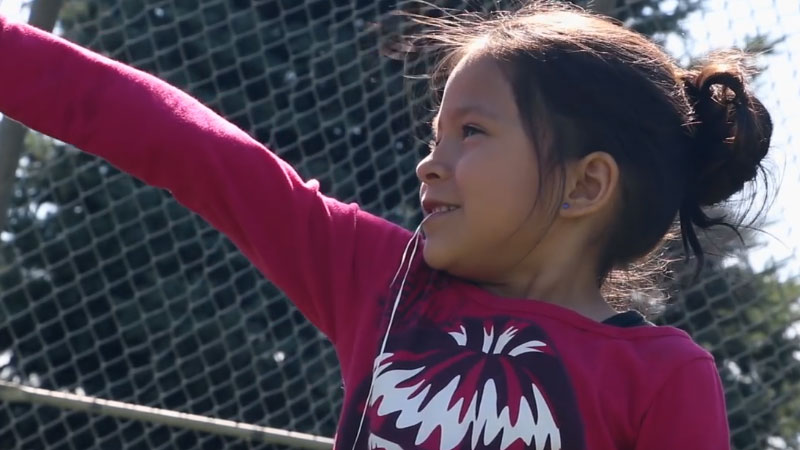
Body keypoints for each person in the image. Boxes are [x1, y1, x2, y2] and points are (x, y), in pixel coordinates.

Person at [0, 1, 773, 449]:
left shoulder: (664, 376)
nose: (429, 164)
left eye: (471, 133)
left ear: (586, 185)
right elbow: (195, 150)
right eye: (435, 136)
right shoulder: (386, 284)